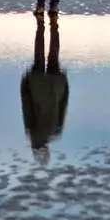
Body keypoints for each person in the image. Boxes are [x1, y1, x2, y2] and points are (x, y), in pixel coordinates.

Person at [19, 16, 68, 164]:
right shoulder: (34, 132)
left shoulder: (55, 132)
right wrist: (25, 84)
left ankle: (51, 26)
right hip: (39, 86)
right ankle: (43, 26)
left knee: (53, 54)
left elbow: (63, 104)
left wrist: (65, 85)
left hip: (54, 86)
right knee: (39, 55)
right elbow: (27, 105)